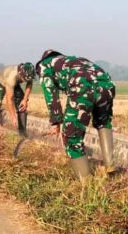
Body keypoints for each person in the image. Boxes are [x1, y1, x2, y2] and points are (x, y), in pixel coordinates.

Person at [35, 50, 116, 180]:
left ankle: (86, 184)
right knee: (103, 122)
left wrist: (56, 121)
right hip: (107, 86)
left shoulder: (44, 65)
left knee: (71, 138)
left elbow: (50, 93)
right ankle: (110, 166)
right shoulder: (76, 60)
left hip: (82, 87)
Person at [0, 63, 35, 138]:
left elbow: (29, 84)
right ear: (20, 74)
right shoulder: (11, 78)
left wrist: (25, 100)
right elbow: (9, 99)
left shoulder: (28, 74)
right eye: (24, 79)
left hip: (14, 84)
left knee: (22, 106)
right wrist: (13, 116)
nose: (25, 81)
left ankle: (23, 134)